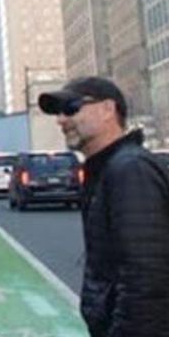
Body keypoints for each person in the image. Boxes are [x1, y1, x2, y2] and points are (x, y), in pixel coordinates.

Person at [39, 76, 169, 336]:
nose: (61, 120)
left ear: (108, 109)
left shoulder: (130, 169)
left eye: (71, 108)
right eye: (58, 112)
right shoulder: (107, 169)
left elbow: (146, 276)